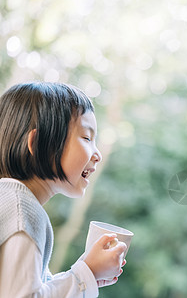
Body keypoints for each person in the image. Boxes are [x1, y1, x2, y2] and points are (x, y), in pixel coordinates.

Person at [0, 82, 127, 297]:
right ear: (40, 143)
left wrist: (90, 274)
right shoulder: (23, 210)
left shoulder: (9, 200)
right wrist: (86, 274)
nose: (98, 154)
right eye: (87, 137)